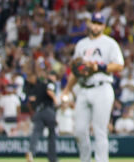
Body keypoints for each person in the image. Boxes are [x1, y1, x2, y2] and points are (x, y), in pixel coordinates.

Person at [67, 12, 125, 162]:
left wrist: (98, 67)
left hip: (102, 87)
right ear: (89, 24)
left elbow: (119, 65)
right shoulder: (81, 44)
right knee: (79, 131)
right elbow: (75, 71)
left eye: (99, 24)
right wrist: (67, 89)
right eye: (94, 23)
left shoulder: (110, 43)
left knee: (100, 131)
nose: (96, 26)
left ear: (104, 26)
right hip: (83, 88)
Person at [26, 65, 59, 162]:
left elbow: (32, 99)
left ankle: (31, 152)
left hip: (38, 111)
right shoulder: (50, 83)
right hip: (48, 110)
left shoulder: (39, 85)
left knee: (36, 133)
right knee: (52, 134)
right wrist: (56, 101)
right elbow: (50, 91)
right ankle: (52, 158)